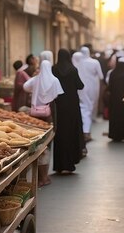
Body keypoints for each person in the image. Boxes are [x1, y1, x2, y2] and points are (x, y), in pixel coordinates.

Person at [24, 59, 64, 187]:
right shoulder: (54, 80)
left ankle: (40, 176)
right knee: (47, 144)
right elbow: (58, 95)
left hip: (35, 114)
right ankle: (44, 177)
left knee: (38, 142)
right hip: (48, 114)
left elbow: (25, 87)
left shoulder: (36, 79)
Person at [52, 49, 86, 171]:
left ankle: (59, 165)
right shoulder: (73, 70)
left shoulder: (54, 69)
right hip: (72, 105)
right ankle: (70, 163)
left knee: (60, 133)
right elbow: (80, 85)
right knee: (71, 132)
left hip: (59, 105)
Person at [76, 46, 104, 143]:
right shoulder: (95, 62)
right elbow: (101, 75)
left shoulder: (78, 62)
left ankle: (85, 128)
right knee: (91, 104)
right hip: (93, 86)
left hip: (81, 88)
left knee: (84, 106)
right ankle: (88, 126)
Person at [107, 57, 124, 142]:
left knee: (114, 117)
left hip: (114, 100)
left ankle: (114, 135)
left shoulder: (112, 74)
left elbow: (109, 87)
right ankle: (123, 135)